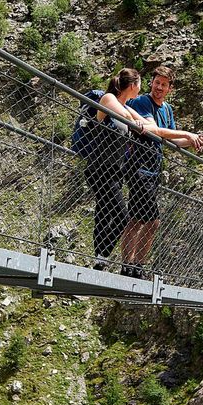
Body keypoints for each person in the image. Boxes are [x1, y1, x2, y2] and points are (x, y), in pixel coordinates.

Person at [118, 64, 203, 276]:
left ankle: (131, 267)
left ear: (170, 89)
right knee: (151, 220)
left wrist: (192, 141)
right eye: (157, 83)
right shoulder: (142, 102)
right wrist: (187, 134)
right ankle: (134, 266)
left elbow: (171, 140)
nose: (159, 87)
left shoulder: (166, 109)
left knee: (137, 219)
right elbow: (153, 130)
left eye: (163, 85)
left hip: (153, 168)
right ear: (152, 83)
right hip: (138, 166)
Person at [73, 67, 150, 264]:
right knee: (122, 217)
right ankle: (102, 256)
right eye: (139, 85)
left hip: (115, 170)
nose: (140, 89)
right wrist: (135, 122)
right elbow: (128, 119)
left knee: (104, 211)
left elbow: (146, 126)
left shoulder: (125, 106)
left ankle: (99, 258)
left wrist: (185, 137)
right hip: (99, 168)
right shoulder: (108, 98)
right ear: (133, 85)